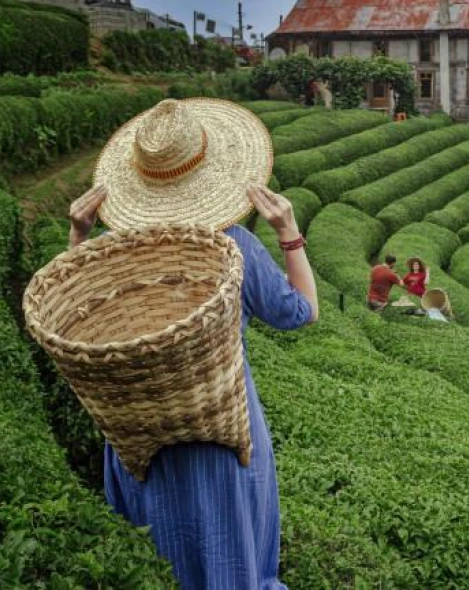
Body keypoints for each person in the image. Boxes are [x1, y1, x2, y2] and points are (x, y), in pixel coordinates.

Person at [68, 98, 318, 589]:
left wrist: (78, 236)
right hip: (219, 433)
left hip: (140, 441)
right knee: (229, 557)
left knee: (156, 562)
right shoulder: (233, 249)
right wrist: (289, 233)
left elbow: (77, 320)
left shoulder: (113, 255)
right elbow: (301, 312)